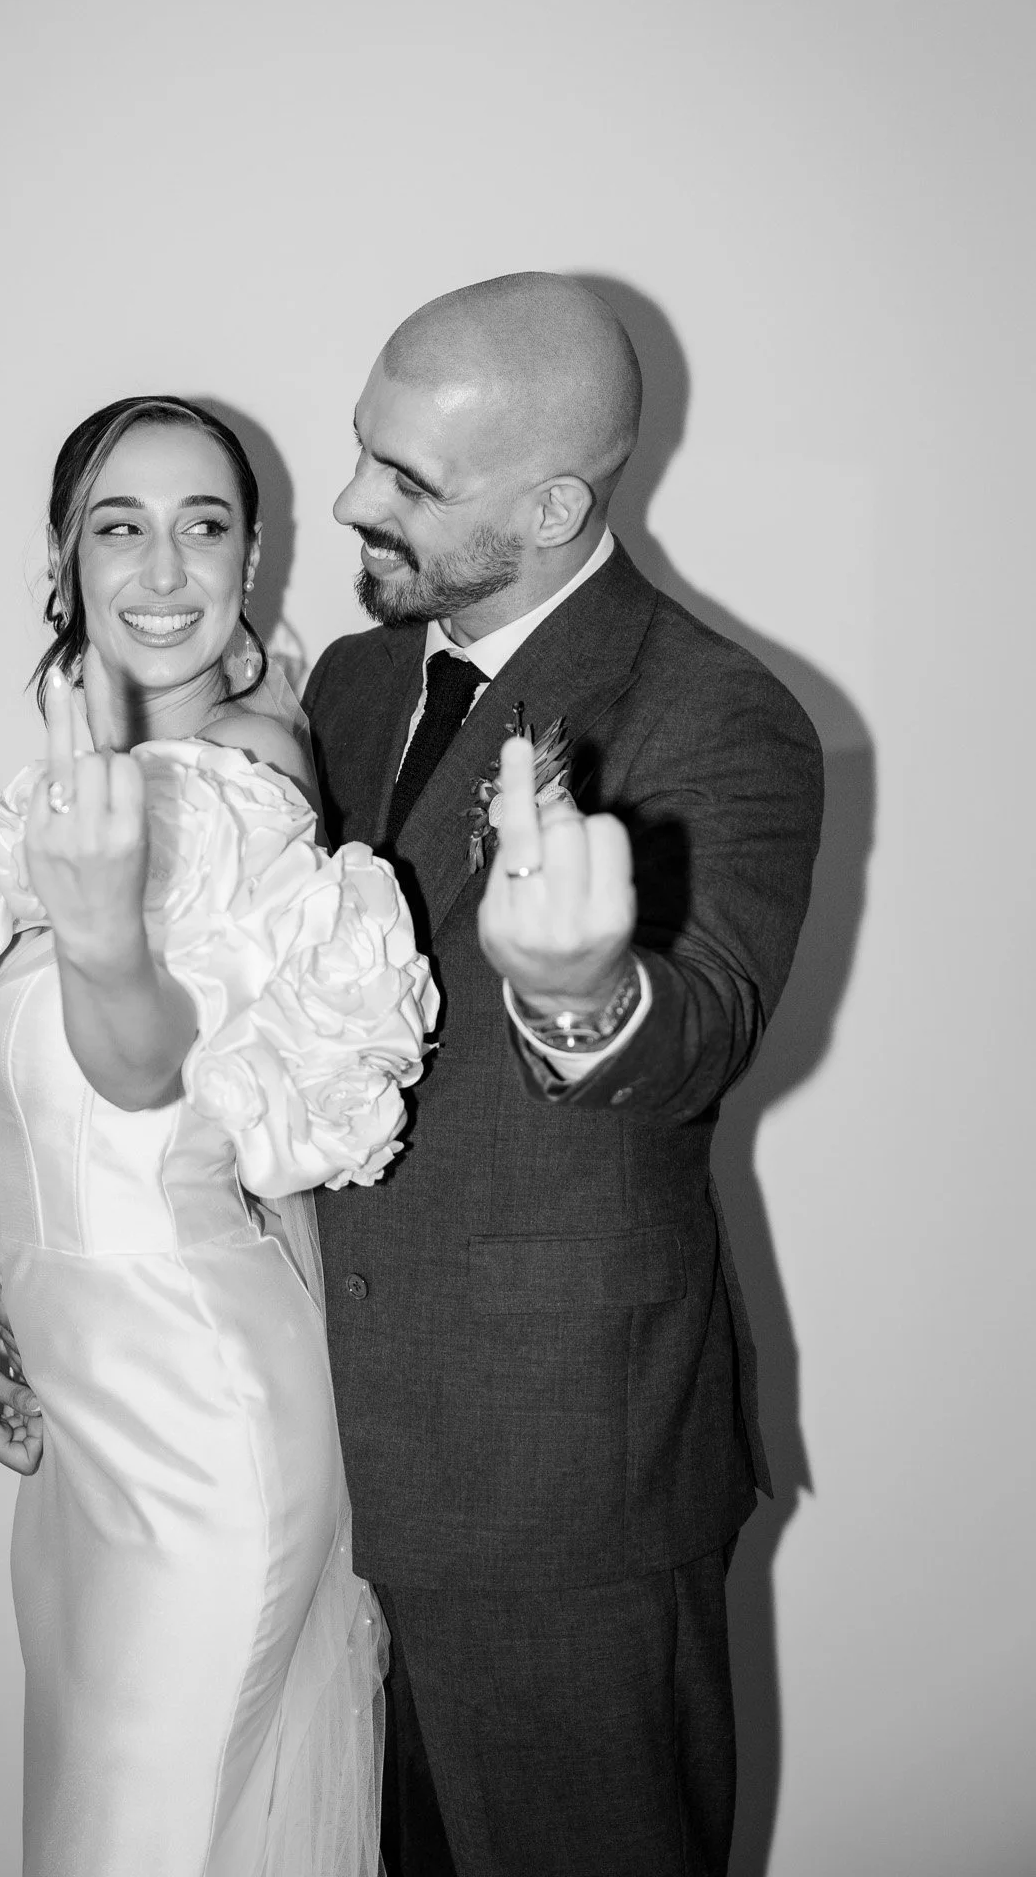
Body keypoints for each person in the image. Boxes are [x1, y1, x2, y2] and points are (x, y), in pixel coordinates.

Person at [0, 396, 439, 1877]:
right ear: (65, 559)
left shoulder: (254, 767)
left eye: (204, 527)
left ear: (251, 558)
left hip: (200, 1418)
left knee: (141, 1841)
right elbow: (6, 1075)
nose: (165, 568)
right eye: (122, 526)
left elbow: (151, 1076)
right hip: (82, 1438)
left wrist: (102, 939)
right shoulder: (92, 778)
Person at [300, 273, 825, 1877]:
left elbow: (705, 1024)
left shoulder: (721, 715)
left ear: (550, 504)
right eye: (365, 451)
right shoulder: (352, 684)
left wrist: (586, 994)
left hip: (564, 1494)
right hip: (317, 1467)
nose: (349, 502)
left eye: (408, 482)